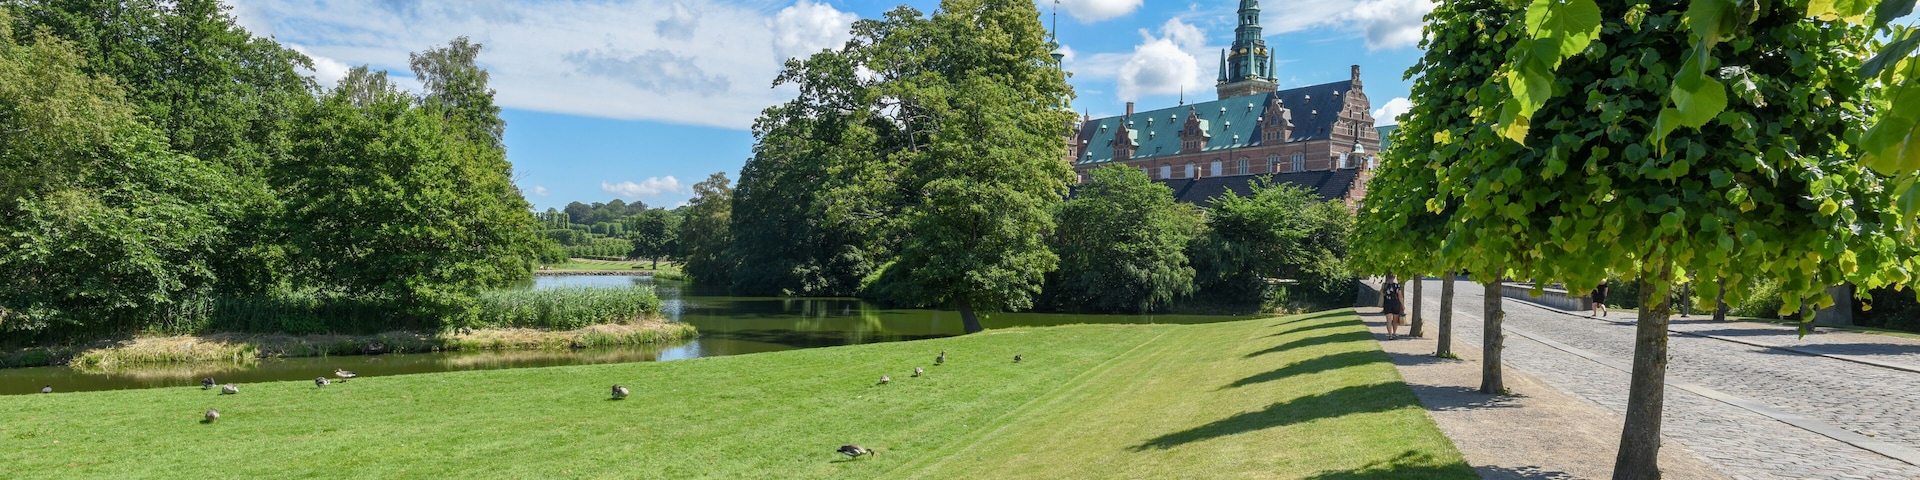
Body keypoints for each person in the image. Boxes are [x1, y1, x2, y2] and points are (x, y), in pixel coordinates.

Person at [1382, 275, 1405, 339]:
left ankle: (1390, 335)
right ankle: (1394, 333)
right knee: (1395, 320)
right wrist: (1402, 305)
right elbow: (1400, 296)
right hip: (1395, 303)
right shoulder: (1397, 286)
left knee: (1388, 320)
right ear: (1394, 278)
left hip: (1387, 302)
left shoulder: (1384, 285)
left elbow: (1382, 293)